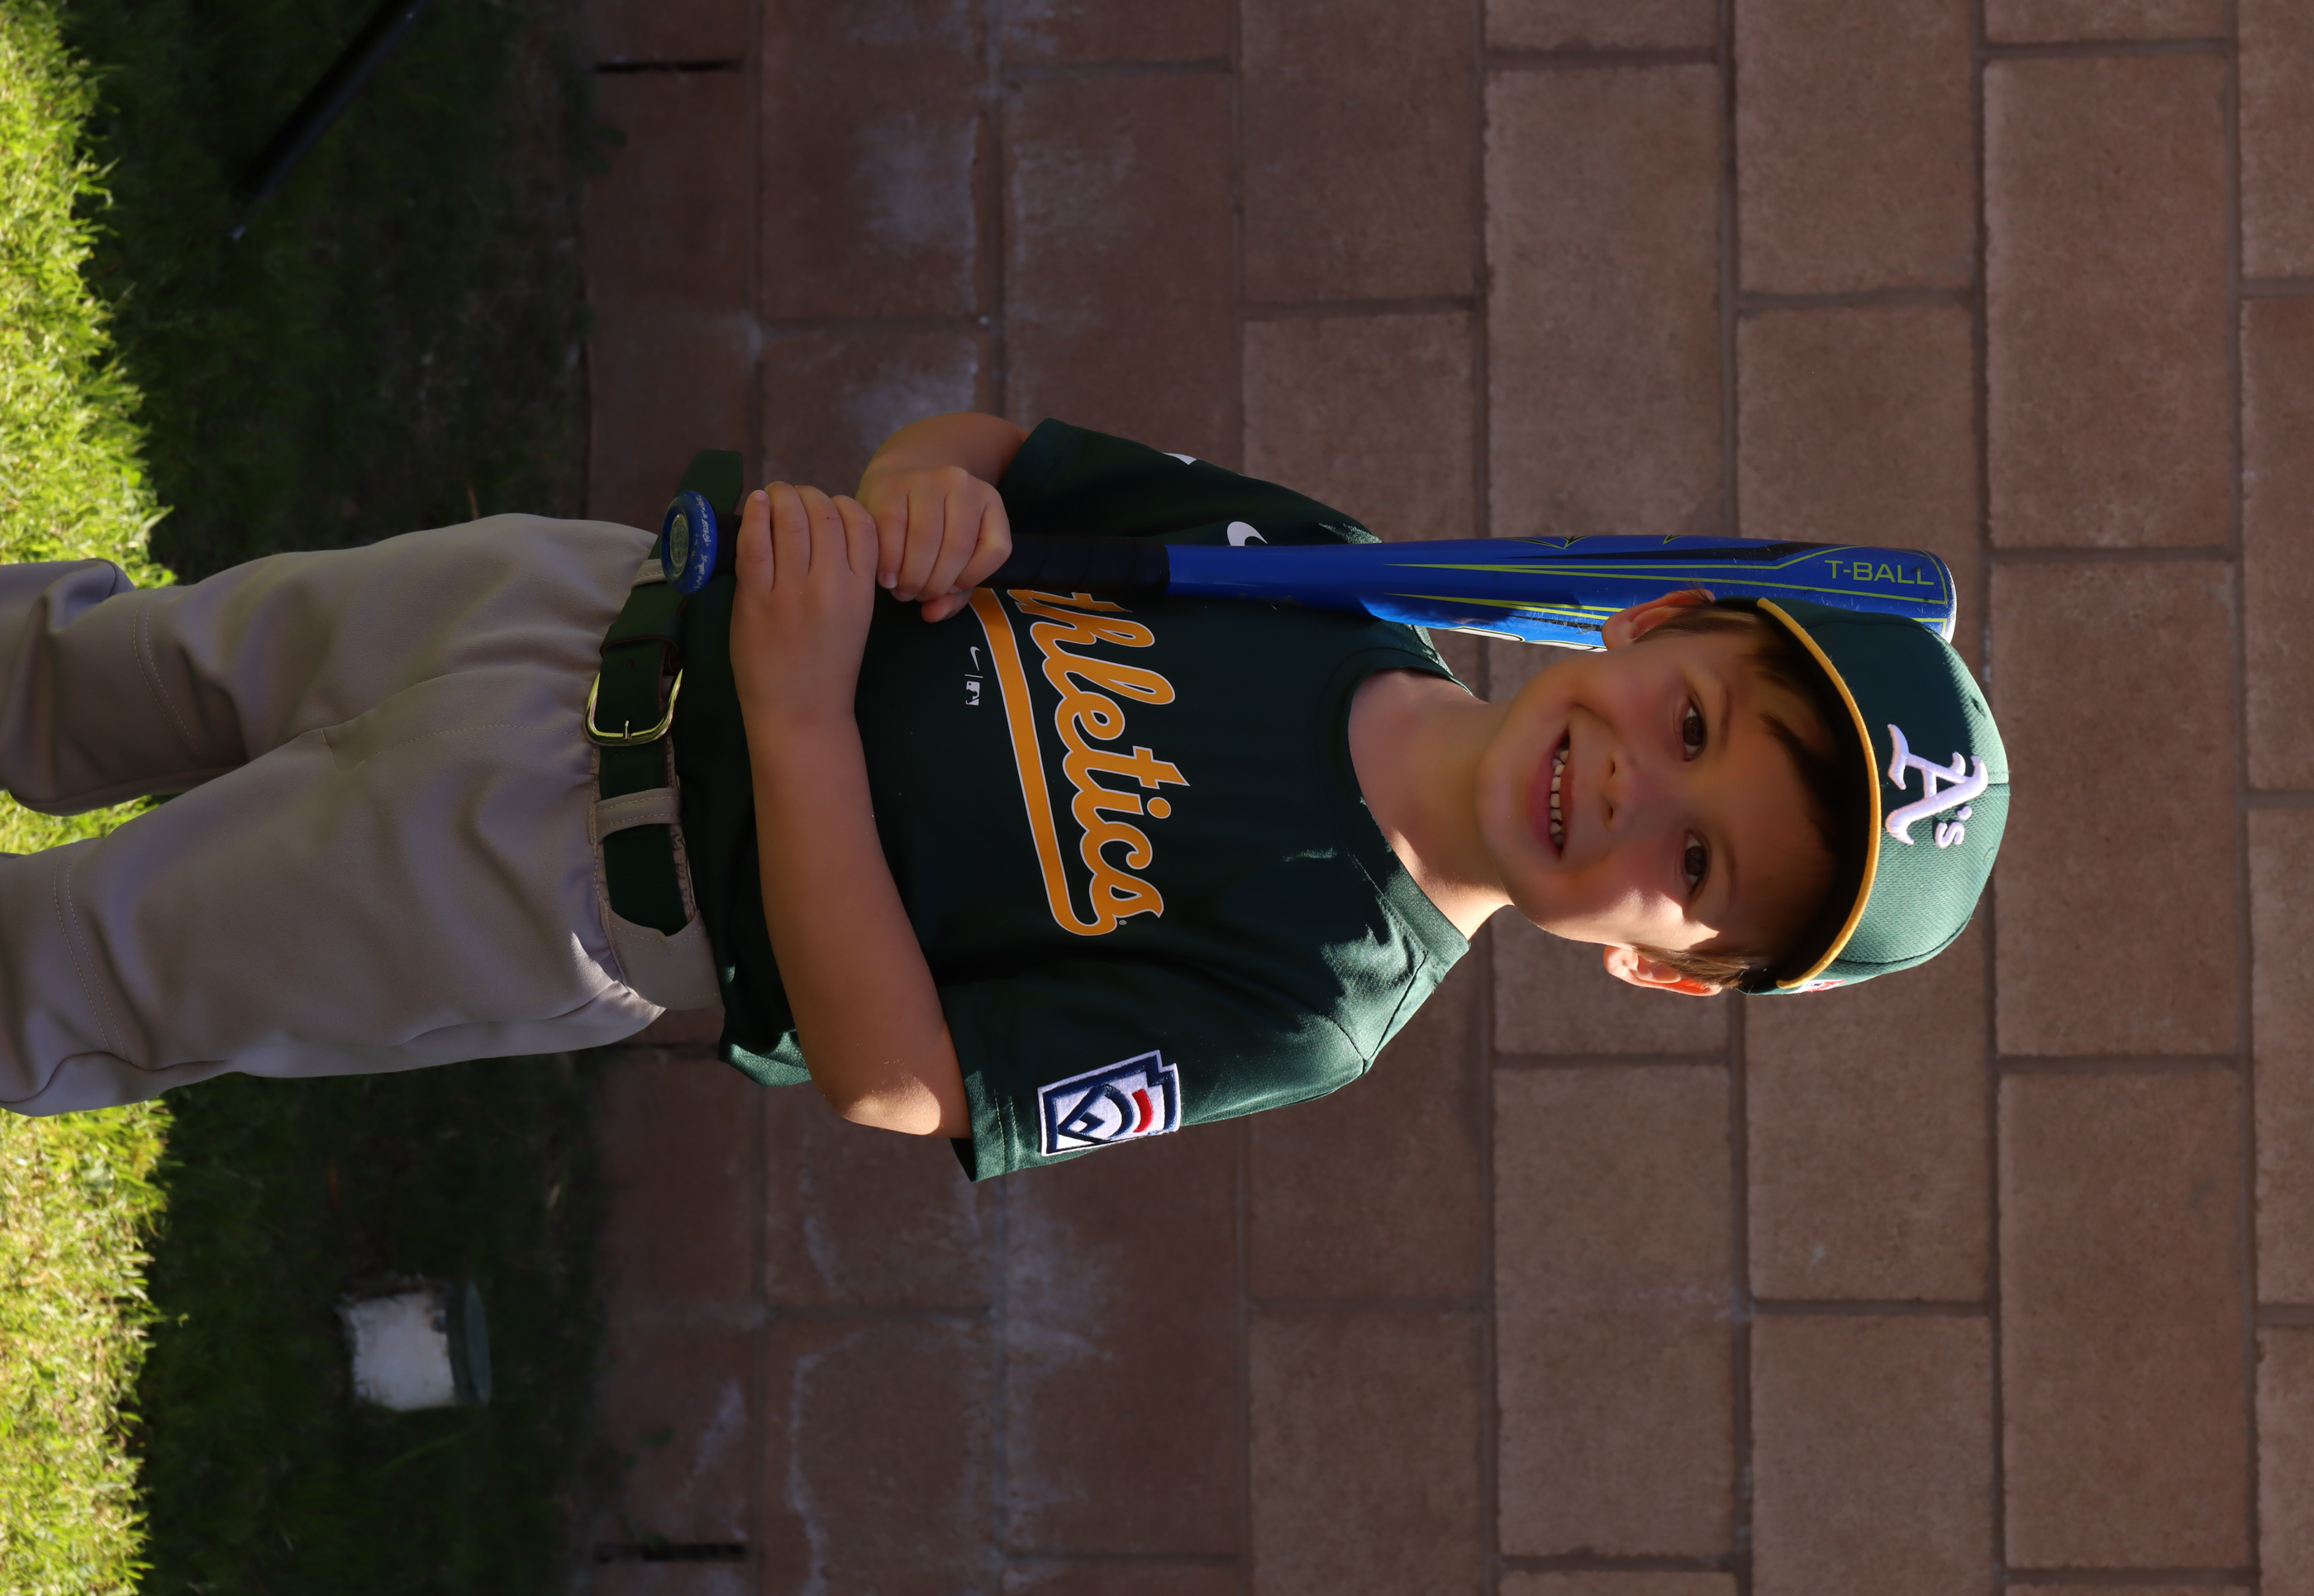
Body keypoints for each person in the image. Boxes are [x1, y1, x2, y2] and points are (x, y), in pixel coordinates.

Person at [0, 412, 2007, 1179]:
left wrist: (800, 718)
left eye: (1692, 865)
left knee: (80, 967)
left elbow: (903, 1080)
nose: (1637, 789)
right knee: (106, 670)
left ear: (1667, 969)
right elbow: (987, 455)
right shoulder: (1329, 575)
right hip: (580, 598)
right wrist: (923, 502)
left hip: (577, 884)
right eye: (1692, 721)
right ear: (1651, 620)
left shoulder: (1315, 994)